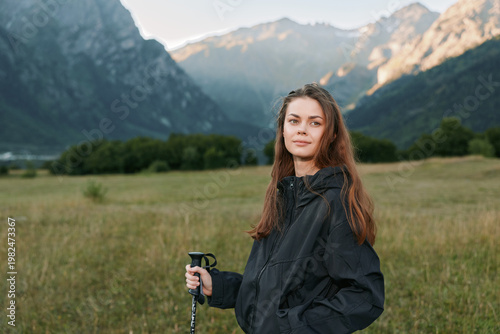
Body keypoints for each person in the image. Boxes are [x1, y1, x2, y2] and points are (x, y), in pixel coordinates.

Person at [185, 83, 384, 333]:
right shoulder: (283, 195)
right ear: (282, 130)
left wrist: (291, 326)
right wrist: (218, 285)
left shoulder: (336, 202)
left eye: (314, 123)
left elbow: (365, 296)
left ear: (332, 134)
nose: (302, 130)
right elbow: (277, 290)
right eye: (294, 121)